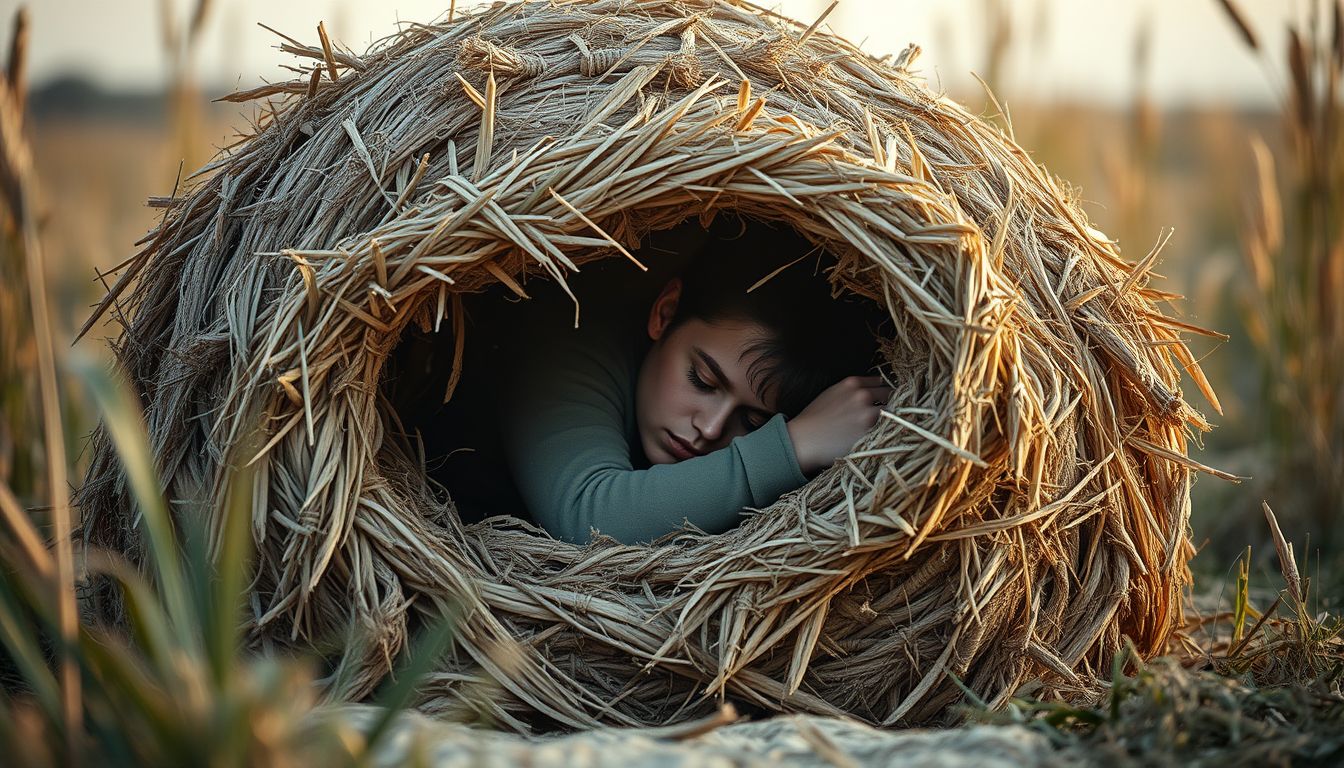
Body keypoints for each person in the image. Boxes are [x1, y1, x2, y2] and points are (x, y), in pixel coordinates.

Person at [490, 215, 892, 545]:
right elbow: (590, 518)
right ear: (664, 313)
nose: (711, 429)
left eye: (752, 421)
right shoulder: (568, 334)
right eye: (702, 380)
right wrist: (795, 444)